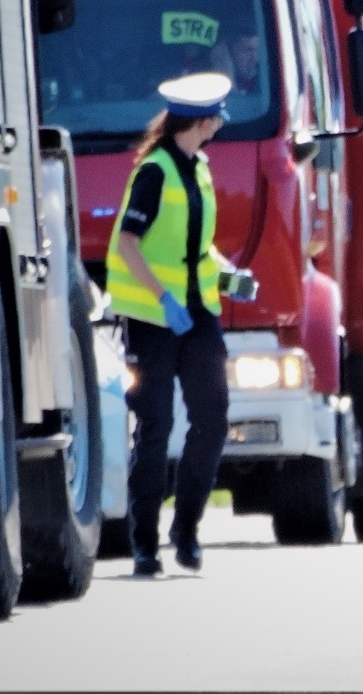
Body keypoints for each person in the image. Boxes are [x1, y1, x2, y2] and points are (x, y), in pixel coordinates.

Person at [105, 72, 258, 577]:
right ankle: (144, 544)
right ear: (203, 120)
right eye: (218, 117)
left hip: (197, 317)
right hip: (154, 319)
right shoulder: (155, 171)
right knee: (156, 428)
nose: (220, 125)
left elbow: (194, 246)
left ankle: (186, 531)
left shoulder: (199, 168)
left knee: (212, 419)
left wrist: (230, 277)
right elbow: (129, 242)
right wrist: (163, 296)